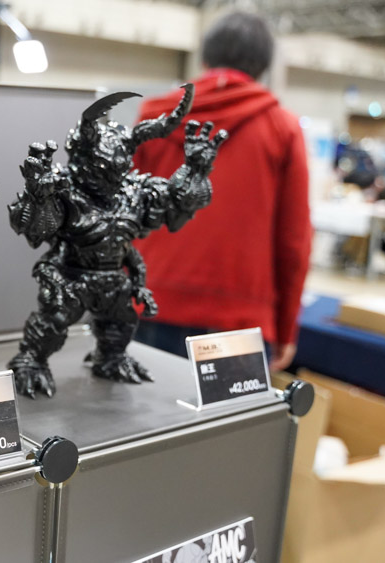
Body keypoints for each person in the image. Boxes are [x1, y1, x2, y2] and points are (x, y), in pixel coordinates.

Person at [131, 11, 311, 372]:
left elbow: (123, 214)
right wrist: (285, 327)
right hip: (238, 321)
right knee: (230, 414)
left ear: (204, 59)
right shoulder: (282, 129)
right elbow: (294, 242)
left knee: (143, 410)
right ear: (263, 67)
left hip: (149, 304)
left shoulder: (154, 116)